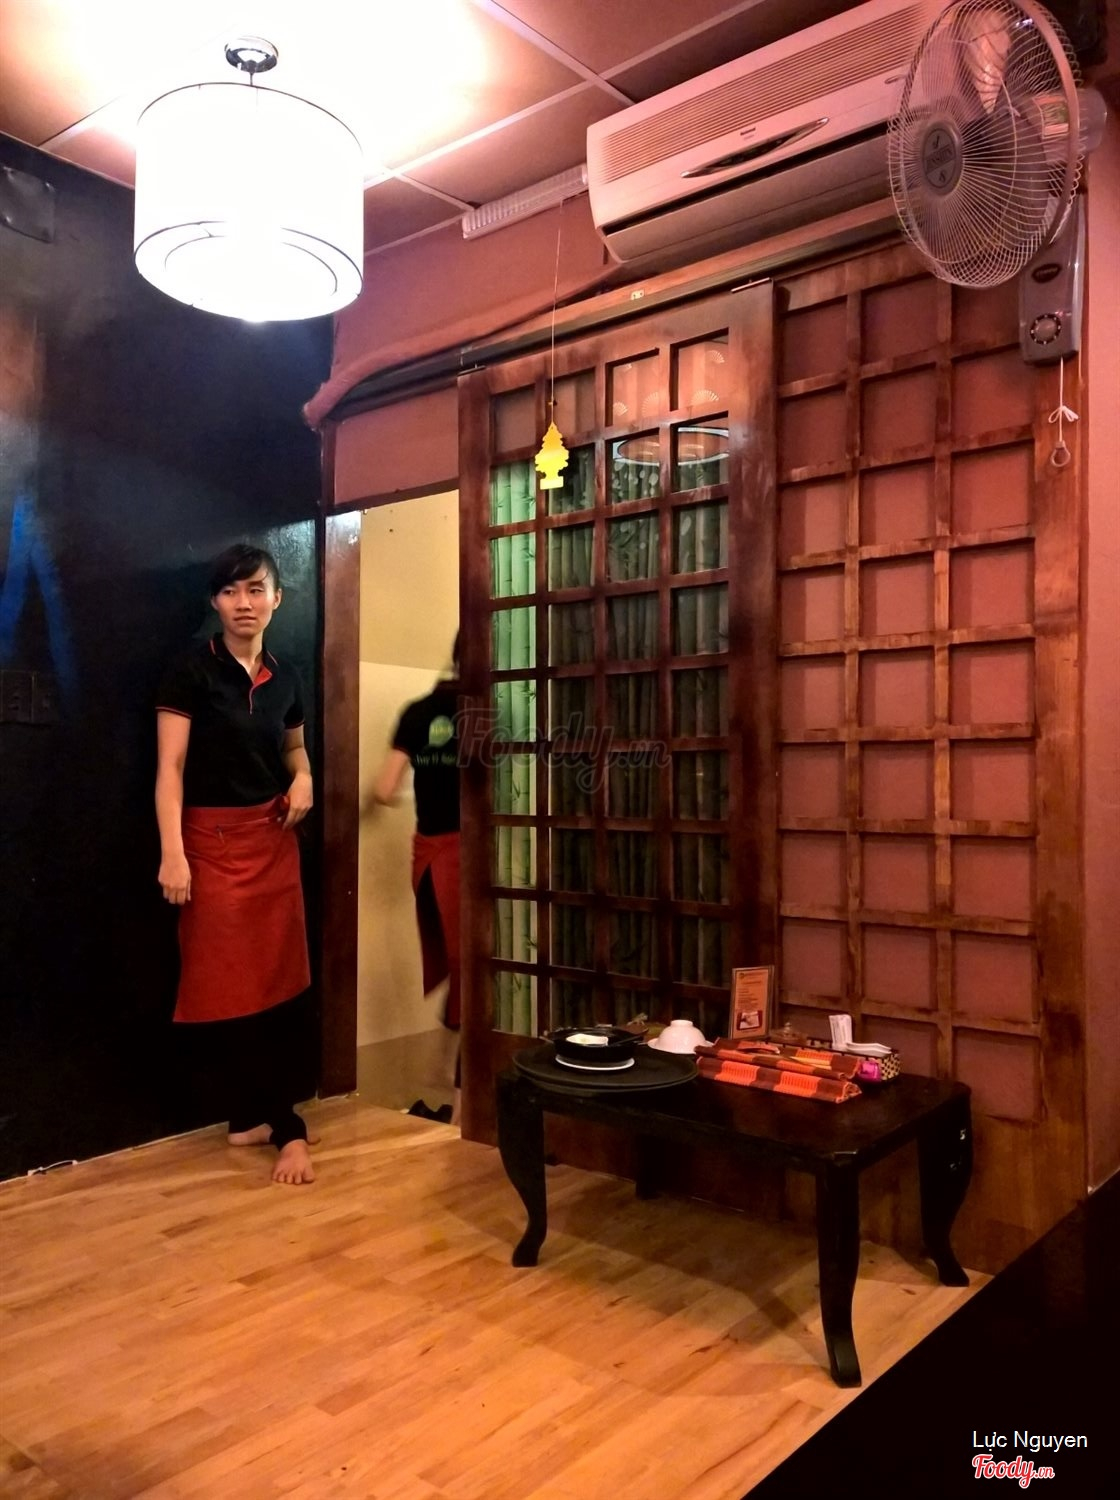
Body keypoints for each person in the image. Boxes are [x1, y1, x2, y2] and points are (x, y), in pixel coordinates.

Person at [155, 543, 316, 1185]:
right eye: (230, 591)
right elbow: (169, 768)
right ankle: (281, 1123)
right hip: (208, 842)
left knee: (277, 984)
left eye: (255, 590)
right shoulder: (191, 670)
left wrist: (304, 778)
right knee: (229, 985)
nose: (243, 603)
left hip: (272, 841)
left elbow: (294, 750)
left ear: (277, 598)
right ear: (215, 603)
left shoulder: (288, 675)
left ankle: (264, 1119)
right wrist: (173, 853)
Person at [371, 636, 461, 1123]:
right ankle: (461, 1103)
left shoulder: (418, 710)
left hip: (427, 854)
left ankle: (445, 1085)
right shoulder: (493, 711)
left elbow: (384, 789)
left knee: (463, 973)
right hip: (470, 858)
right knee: (478, 975)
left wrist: (423, 789)